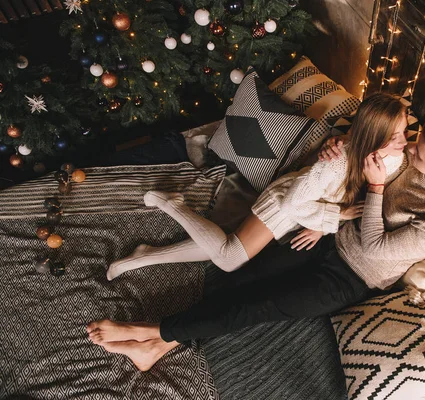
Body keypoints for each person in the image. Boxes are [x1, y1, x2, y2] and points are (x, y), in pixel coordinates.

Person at [87, 114, 425, 372]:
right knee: (238, 279)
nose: (410, 147)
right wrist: (337, 146)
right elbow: (363, 162)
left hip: (352, 277)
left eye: (419, 151)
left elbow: (375, 245)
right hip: (327, 238)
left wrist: (379, 187)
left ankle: (147, 332)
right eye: (414, 139)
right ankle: (157, 348)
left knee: (257, 307)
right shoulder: (414, 159)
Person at [106, 92, 408, 280]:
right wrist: (333, 219)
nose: (405, 142)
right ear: (375, 136)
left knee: (227, 247)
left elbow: (358, 186)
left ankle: (144, 255)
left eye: (405, 132)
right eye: (397, 136)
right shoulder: (336, 162)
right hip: (285, 203)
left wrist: (322, 224)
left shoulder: (390, 157)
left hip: (306, 206)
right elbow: (292, 204)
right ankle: (172, 204)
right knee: (228, 259)